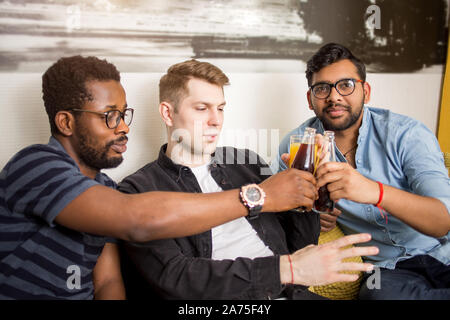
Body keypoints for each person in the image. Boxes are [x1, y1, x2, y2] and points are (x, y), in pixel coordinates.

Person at [0, 55, 339, 300]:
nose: (123, 127)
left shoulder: (106, 191)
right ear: (66, 123)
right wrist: (259, 197)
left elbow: (106, 284)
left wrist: (305, 195)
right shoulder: (39, 165)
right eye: (109, 116)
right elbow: (144, 230)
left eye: (220, 108)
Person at [118, 59, 378, 300]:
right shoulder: (138, 191)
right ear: (167, 113)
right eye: (201, 108)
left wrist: (307, 187)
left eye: (220, 108)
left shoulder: (246, 163)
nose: (215, 120)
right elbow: (174, 278)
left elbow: (299, 244)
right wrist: (286, 269)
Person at [272, 43, 450, 300]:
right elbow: (280, 215)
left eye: (346, 85)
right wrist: (311, 217)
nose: (334, 97)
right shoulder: (297, 146)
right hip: (387, 270)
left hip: (442, 252)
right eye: (322, 88)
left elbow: (443, 221)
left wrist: (375, 192)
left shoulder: (406, 134)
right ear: (311, 100)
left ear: (365, 91)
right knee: (377, 296)